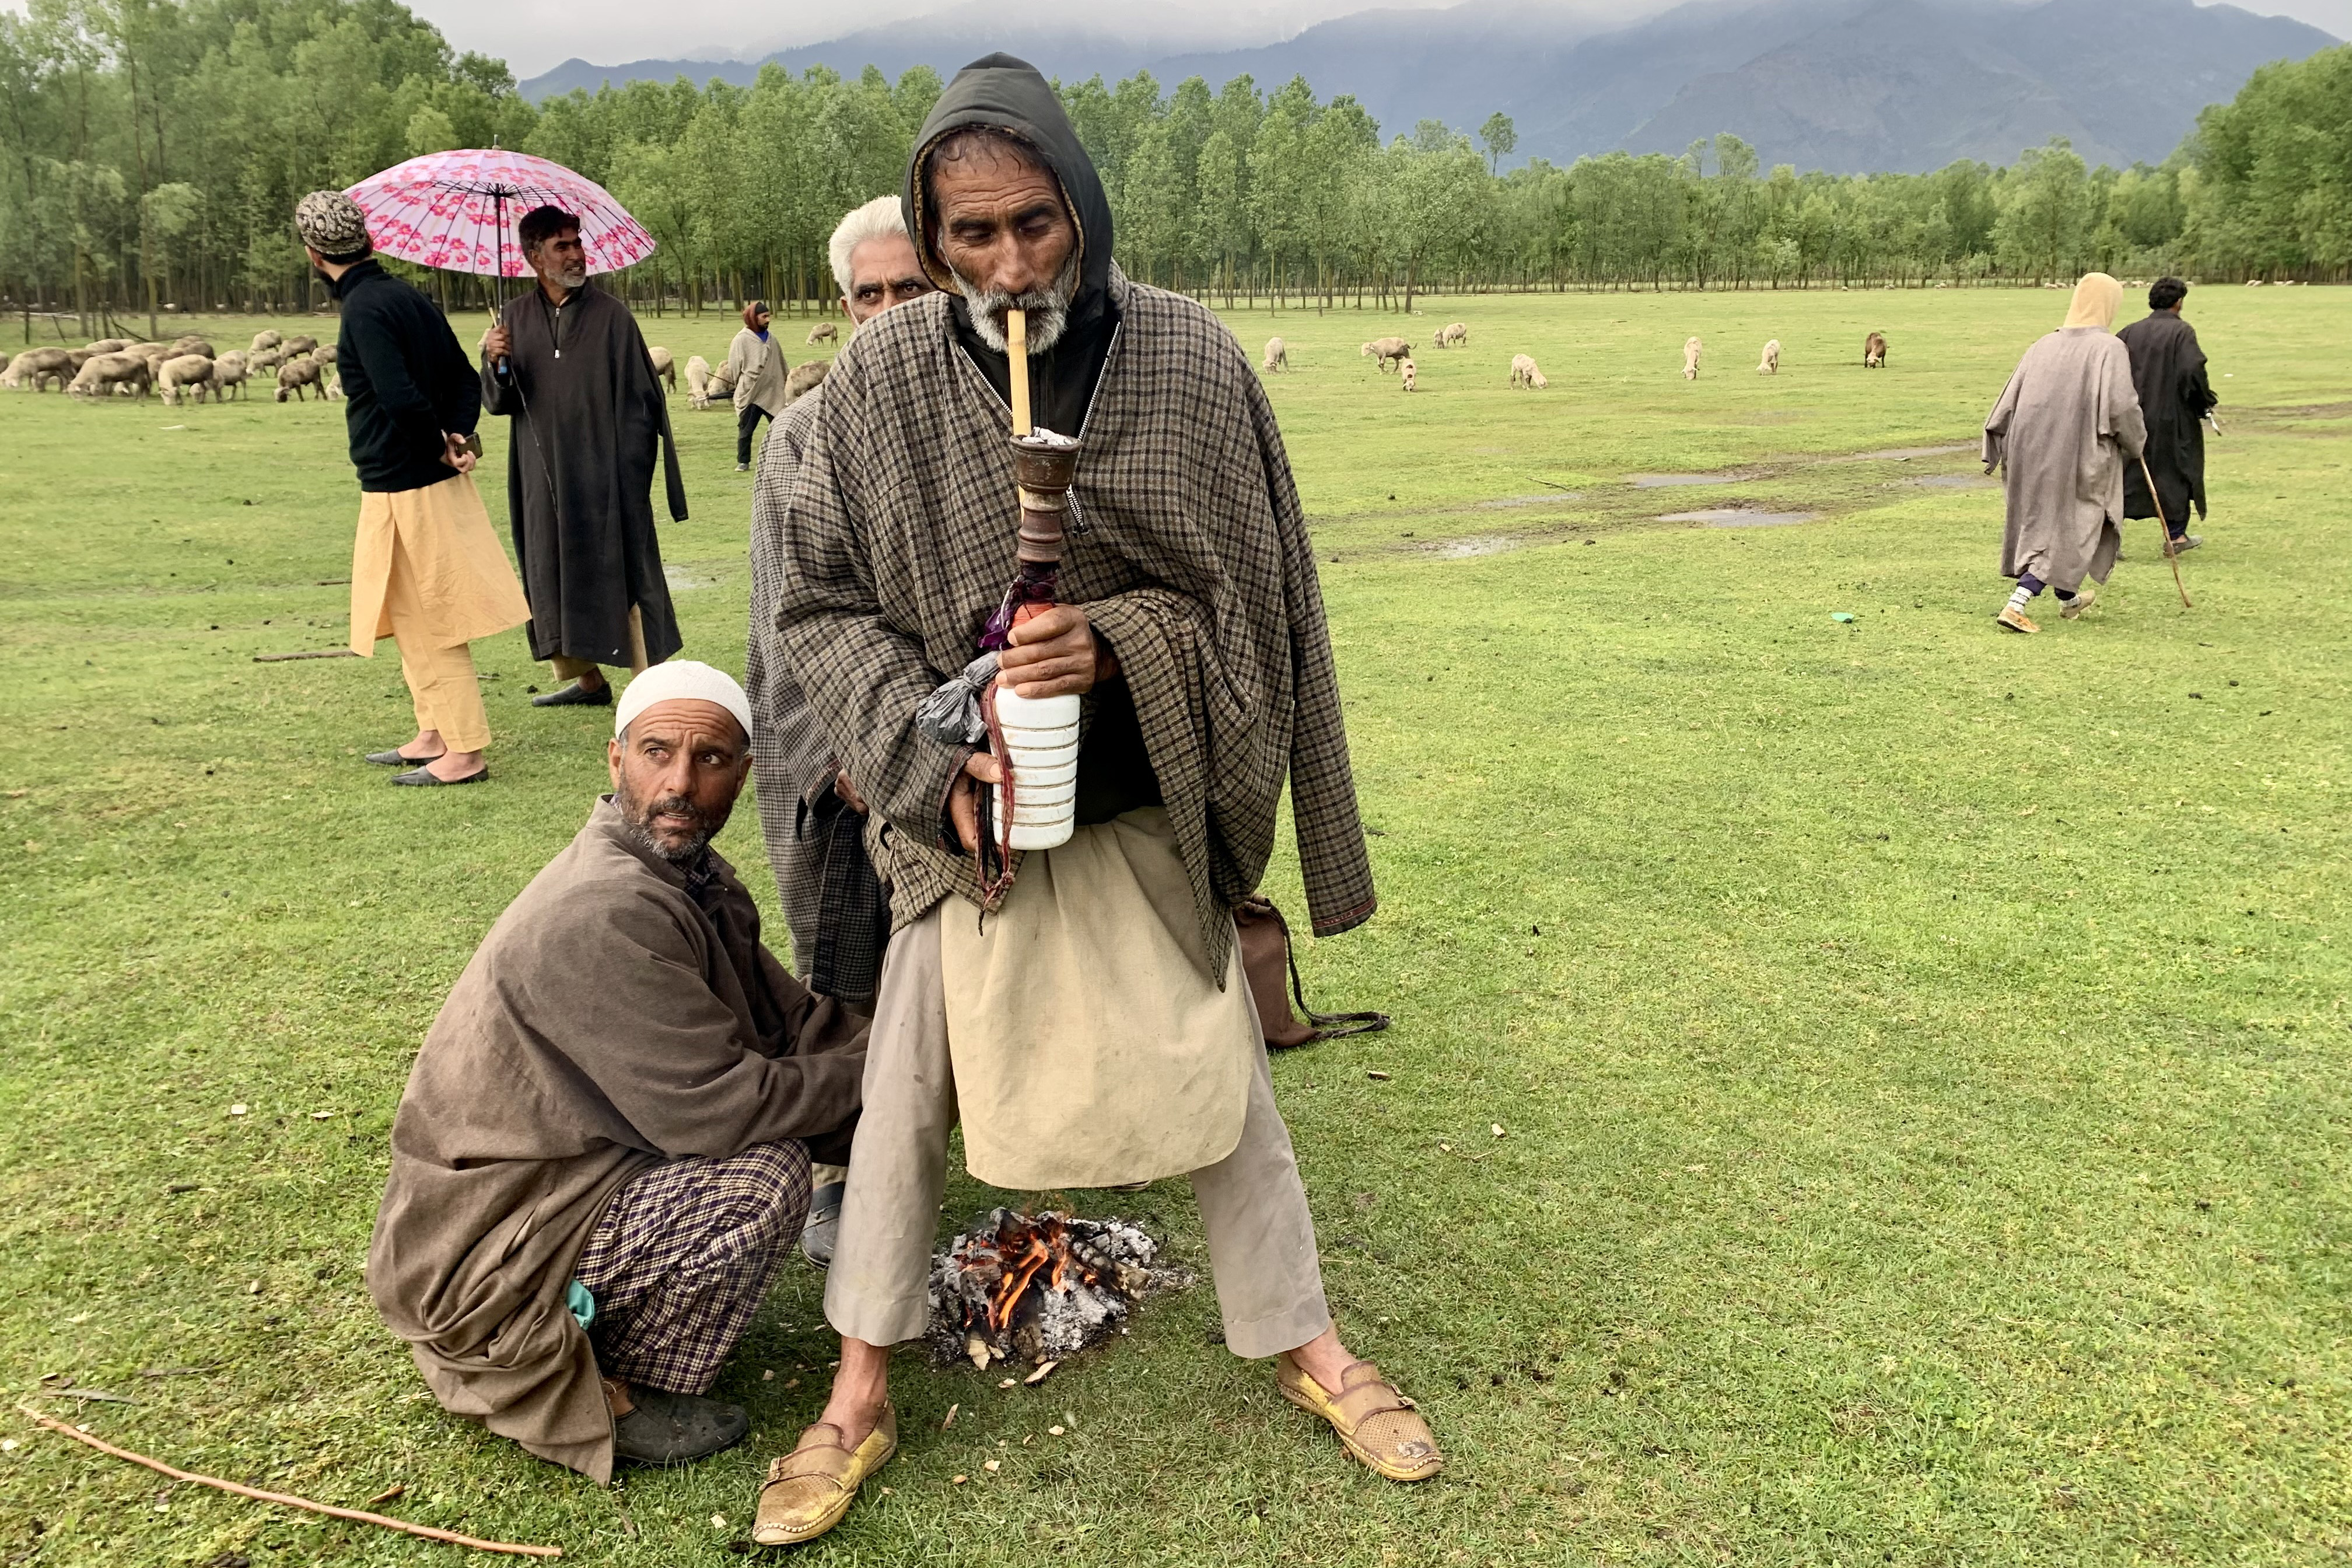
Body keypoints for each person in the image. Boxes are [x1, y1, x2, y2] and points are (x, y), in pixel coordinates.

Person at [751, 56, 1439, 1548]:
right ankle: (858, 1389)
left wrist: (1112, 643)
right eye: (972, 238)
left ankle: (1311, 1345)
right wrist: (950, 737)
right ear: (931, 243)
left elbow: (1256, 602)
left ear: (1087, 208)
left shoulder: (1188, 363)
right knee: (906, 1097)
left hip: (1144, 793)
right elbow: (820, 610)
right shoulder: (873, 381)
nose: (1009, 268)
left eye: (1037, 227)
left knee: (1221, 1072)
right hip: (971, 810)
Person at [368, 661, 867, 1482]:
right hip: (479, 1251)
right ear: (615, 761)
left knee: (785, 1130)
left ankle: (598, 1327)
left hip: (564, 1178)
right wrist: (888, 1083)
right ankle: (604, 1384)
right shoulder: (605, 908)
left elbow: (790, 1025)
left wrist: (907, 1050)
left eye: (710, 760)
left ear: (743, 775)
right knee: (759, 1178)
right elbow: (719, 1109)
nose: (679, 782)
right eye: (656, 752)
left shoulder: (692, 878)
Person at [746, 194, 935, 1266]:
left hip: (960, 737)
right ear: (846, 310)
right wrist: (852, 748)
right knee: (843, 947)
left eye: (911, 288)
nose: (891, 310)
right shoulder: (803, 439)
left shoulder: (988, 420)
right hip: (840, 748)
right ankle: (844, 1161)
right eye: (870, 294)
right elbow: (788, 620)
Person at [295, 189, 529, 788]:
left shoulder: (368, 310)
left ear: (313, 254)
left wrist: (440, 444)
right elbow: (458, 373)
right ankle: (433, 729)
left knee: (433, 616)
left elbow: (400, 395)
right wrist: (457, 432)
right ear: (366, 241)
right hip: (402, 483)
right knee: (403, 610)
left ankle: (467, 750)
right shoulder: (404, 296)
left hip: (411, 484)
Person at [481, 204, 688, 708]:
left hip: (606, 476)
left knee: (627, 574)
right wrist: (496, 362)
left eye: (577, 243)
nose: (576, 255)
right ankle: (588, 682)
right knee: (550, 572)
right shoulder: (512, 317)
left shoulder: (612, 318)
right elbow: (499, 402)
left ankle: (649, 688)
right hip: (539, 472)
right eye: (562, 247)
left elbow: (645, 403)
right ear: (535, 257)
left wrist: (626, 473)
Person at [1983, 272, 2147, 634]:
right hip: (2079, 452)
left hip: (2029, 450)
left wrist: (1994, 445)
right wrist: (2137, 442)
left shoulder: (2043, 344)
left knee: (2049, 519)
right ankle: (2018, 603)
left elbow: (2005, 403)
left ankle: (2069, 600)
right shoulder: (2109, 348)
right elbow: (2122, 407)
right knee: (2078, 521)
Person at [2118, 276, 2217, 554]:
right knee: (2177, 471)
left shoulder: (2128, 332)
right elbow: (2192, 370)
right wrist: (2204, 402)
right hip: (2173, 418)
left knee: (2126, 471)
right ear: (2179, 302)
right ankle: (2175, 536)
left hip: (2132, 416)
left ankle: (2107, 538)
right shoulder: (2182, 333)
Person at [724, 300, 790, 473]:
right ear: (754, 318)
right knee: (746, 430)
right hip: (752, 391)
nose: (768, 319)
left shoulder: (772, 338)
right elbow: (734, 367)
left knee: (781, 427)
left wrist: (784, 379)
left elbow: (781, 361)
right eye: (765, 316)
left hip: (773, 392)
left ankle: (785, 460)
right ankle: (743, 461)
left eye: (769, 316)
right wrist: (740, 385)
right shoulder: (742, 339)